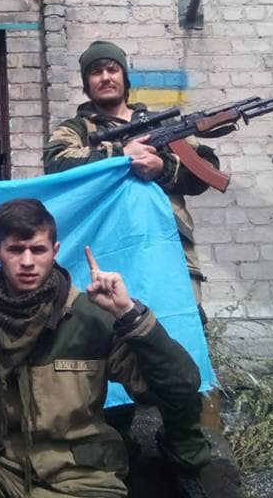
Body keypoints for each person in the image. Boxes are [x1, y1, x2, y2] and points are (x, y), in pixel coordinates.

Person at [0, 198, 209, 498]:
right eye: (16, 250)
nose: (28, 262)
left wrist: (129, 313)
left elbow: (180, 386)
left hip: (80, 481)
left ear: (55, 251)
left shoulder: (92, 318)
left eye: (38, 249)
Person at [43, 40, 219, 317]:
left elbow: (206, 169)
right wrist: (121, 154)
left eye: (112, 70)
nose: (105, 77)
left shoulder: (163, 124)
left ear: (124, 78)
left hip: (169, 248)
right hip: (107, 251)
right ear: (87, 83)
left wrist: (162, 167)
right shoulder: (77, 129)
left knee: (180, 328)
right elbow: (57, 164)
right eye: (96, 72)